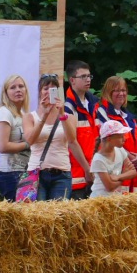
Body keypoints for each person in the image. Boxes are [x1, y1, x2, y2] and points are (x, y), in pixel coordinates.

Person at [21, 74, 84, 202]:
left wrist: (61, 114)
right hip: (37, 173)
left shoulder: (69, 117)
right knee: (37, 215)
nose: (49, 92)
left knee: (58, 217)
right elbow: (30, 140)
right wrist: (44, 115)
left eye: (53, 89)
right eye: (46, 88)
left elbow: (72, 140)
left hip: (62, 173)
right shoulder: (29, 117)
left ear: (58, 92)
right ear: (39, 92)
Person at [96, 75, 137, 192]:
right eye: (116, 90)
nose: (121, 93)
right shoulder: (102, 113)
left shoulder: (129, 117)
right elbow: (110, 141)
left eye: (123, 90)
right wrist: (134, 159)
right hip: (118, 169)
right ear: (108, 92)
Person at [63, 60, 98, 198]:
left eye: (89, 76)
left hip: (95, 172)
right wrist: (87, 169)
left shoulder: (94, 103)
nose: (88, 79)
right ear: (72, 80)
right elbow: (72, 142)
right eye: (83, 77)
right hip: (78, 176)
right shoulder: (68, 107)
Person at [0, 74, 30, 201]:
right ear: (6, 93)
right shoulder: (4, 112)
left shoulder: (23, 114)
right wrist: (28, 144)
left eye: (21, 86)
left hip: (26, 171)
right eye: (13, 87)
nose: (18, 90)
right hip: (11, 173)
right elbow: (3, 146)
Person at [89, 120, 135, 198]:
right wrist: (124, 176)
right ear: (109, 139)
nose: (124, 139)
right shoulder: (98, 160)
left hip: (115, 199)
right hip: (99, 200)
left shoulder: (120, 150)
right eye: (121, 136)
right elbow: (109, 187)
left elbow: (133, 172)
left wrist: (119, 177)